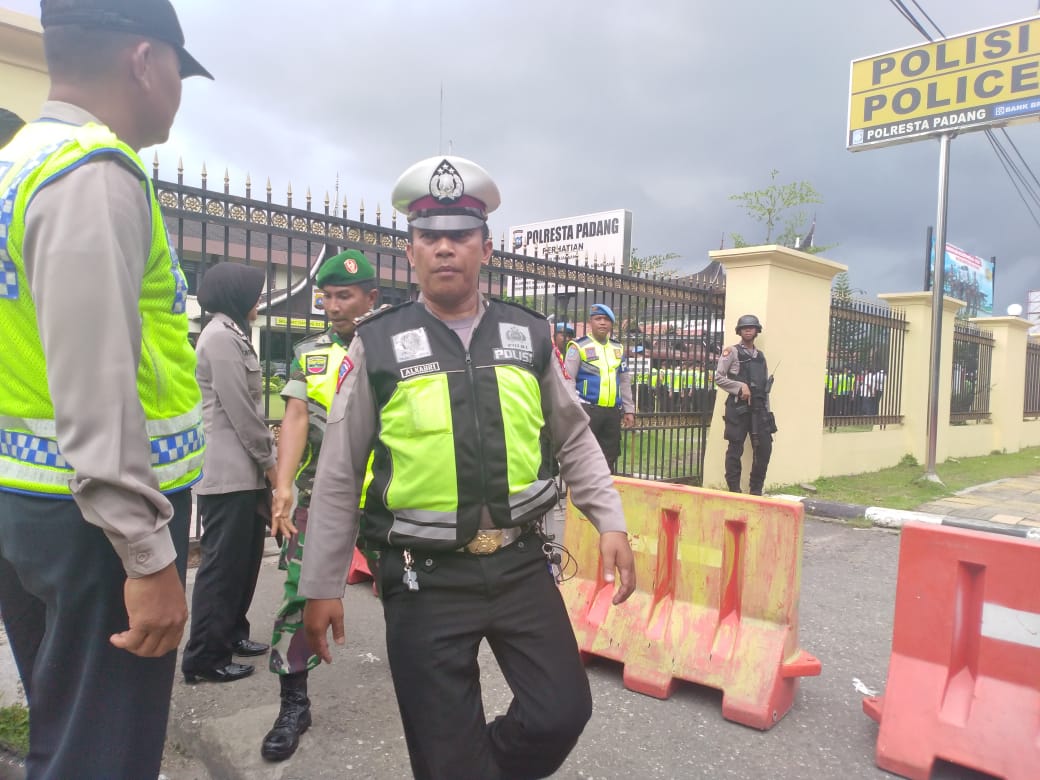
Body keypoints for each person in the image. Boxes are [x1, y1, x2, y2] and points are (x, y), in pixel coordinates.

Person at [299, 154, 636, 780]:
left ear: (485, 248)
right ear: (411, 252)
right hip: (422, 579)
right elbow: (341, 474)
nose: (445, 249)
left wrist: (609, 520)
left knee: (562, 711)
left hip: (518, 565)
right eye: (431, 237)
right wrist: (319, 585)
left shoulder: (530, 336)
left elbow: (575, 437)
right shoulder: (375, 343)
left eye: (460, 236)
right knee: (445, 754)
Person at [0, 1, 211, 776]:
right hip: (97, 526)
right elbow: (97, 384)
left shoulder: (16, 162)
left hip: (29, 502)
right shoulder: (94, 170)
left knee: (65, 734)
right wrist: (149, 559)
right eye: (179, 74)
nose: (178, 94)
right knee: (105, 757)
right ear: (145, 62)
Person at [260, 249, 380, 762]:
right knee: (300, 591)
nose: (333, 305)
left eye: (344, 296)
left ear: (371, 298)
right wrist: (283, 485)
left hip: (391, 496)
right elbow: (293, 419)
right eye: (327, 296)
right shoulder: (310, 352)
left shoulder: (396, 348)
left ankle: (432, 687)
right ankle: (294, 702)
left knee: (414, 592)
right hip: (322, 496)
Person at [182, 262, 276, 684]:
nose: (259, 301)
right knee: (222, 566)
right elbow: (242, 411)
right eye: (254, 293)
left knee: (245, 560)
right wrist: (272, 464)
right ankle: (203, 656)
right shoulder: (220, 339)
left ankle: (232, 634)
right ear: (237, 295)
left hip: (244, 473)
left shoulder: (232, 334)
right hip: (229, 473)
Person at [564, 303, 635, 473]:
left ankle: (604, 493)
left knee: (610, 455)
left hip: (612, 412)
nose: (602, 323)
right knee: (584, 454)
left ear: (611, 324)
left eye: (606, 319)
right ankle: (579, 495)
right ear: (591, 322)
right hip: (587, 409)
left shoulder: (618, 348)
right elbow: (568, 380)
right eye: (598, 319)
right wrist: (572, 408)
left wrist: (629, 410)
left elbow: (624, 380)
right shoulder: (578, 346)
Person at [715, 314, 776, 495]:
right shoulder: (731, 352)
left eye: (751, 327)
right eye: (744, 328)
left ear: (757, 331)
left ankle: (756, 490)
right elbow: (719, 377)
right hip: (738, 408)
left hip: (758, 408)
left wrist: (767, 410)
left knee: (764, 448)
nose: (748, 330)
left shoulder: (760, 356)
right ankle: (734, 489)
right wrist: (740, 386)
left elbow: (765, 386)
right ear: (739, 331)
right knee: (735, 449)